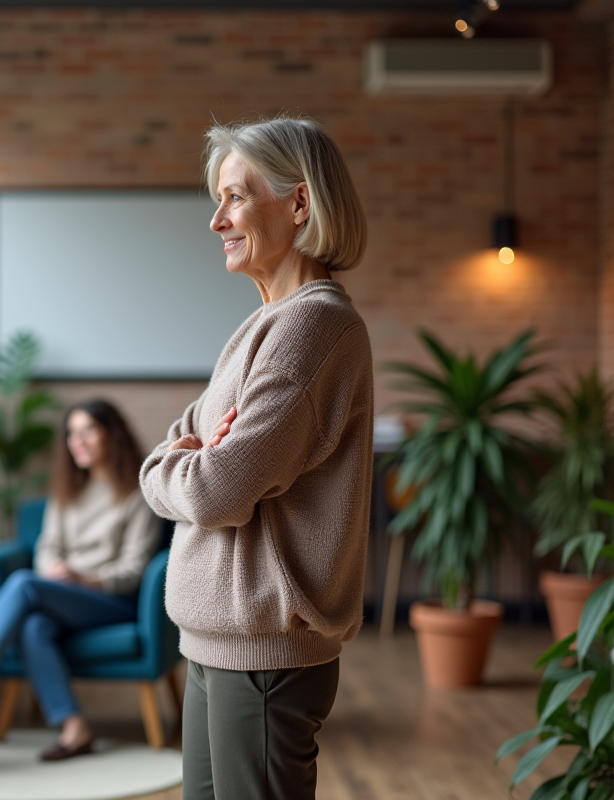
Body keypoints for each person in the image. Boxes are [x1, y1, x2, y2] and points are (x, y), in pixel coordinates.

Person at [139, 116, 373, 800]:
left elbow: (214, 491)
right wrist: (183, 459)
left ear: (299, 204)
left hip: (265, 657)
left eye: (235, 197)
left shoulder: (312, 327)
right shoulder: (261, 326)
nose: (217, 221)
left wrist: (186, 462)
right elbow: (172, 452)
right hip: (214, 645)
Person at [0, 399, 159, 761]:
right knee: (34, 625)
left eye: (89, 430)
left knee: (24, 584)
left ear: (112, 436)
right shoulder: (68, 491)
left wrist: (84, 577)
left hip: (111, 600)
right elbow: (46, 548)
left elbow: (134, 570)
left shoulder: (138, 493)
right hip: (64, 594)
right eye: (71, 433)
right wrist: (55, 570)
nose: (78, 441)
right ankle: (75, 728)